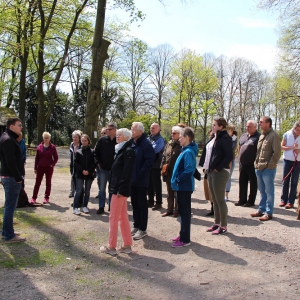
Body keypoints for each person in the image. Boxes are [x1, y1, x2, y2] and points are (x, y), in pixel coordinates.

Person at [100, 128, 136, 255]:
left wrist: (121, 189)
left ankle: (111, 246)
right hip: (117, 188)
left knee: (113, 217)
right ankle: (127, 245)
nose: (117, 136)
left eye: (119, 135)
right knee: (122, 217)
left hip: (119, 190)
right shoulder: (121, 150)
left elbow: (126, 173)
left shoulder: (128, 151)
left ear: (126, 137)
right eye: (117, 135)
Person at [0, 117, 26, 243]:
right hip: (11, 178)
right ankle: (9, 235)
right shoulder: (8, 140)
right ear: (11, 126)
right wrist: (18, 177)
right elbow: (10, 161)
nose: (21, 127)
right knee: (10, 206)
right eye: (19, 125)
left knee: (11, 205)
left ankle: (7, 230)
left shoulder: (8, 138)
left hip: (10, 177)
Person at [171, 127, 197, 247]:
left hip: (184, 187)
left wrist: (178, 179)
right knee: (182, 212)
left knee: (185, 213)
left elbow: (189, 169)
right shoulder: (185, 150)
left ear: (187, 137)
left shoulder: (188, 152)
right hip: (181, 187)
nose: (179, 139)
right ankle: (182, 234)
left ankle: (185, 239)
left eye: (181, 136)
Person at [251, 116, 281, 221]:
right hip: (259, 167)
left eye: (261, 122)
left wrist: (270, 165)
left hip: (268, 169)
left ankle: (269, 213)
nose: (259, 124)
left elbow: (277, 153)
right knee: (262, 191)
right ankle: (261, 210)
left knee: (269, 191)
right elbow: (258, 152)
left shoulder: (274, 136)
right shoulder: (262, 136)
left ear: (268, 123)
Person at [206, 117, 233, 235]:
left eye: (215, 125)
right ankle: (216, 223)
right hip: (211, 171)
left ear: (221, 126)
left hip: (220, 172)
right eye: (212, 125)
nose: (213, 127)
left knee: (220, 199)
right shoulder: (215, 137)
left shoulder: (225, 138)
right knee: (215, 199)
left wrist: (218, 167)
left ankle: (224, 226)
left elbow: (229, 156)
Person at [130, 122, 155, 240]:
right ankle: (136, 225)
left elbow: (149, 161)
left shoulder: (146, 144)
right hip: (132, 180)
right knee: (134, 204)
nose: (132, 132)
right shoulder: (133, 143)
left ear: (140, 131)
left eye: (133, 130)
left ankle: (142, 229)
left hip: (141, 180)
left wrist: (140, 174)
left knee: (141, 204)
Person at [235, 120, 260, 207]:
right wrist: (239, 157)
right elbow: (239, 146)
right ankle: (242, 200)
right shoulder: (243, 136)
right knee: (242, 182)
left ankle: (251, 201)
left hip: (252, 164)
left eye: (250, 127)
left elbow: (259, 151)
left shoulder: (258, 137)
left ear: (255, 127)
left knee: (253, 183)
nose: (247, 128)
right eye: (246, 126)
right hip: (242, 163)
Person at [94, 122, 117, 214]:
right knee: (101, 189)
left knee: (112, 189)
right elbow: (96, 153)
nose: (108, 131)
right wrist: (97, 162)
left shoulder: (118, 140)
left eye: (110, 129)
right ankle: (101, 206)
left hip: (114, 169)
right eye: (107, 129)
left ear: (115, 129)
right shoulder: (102, 140)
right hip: (102, 169)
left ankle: (111, 206)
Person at [160, 126, 182, 217]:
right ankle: (169, 209)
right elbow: (164, 155)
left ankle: (177, 210)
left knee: (177, 192)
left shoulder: (181, 144)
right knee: (169, 192)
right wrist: (162, 167)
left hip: (176, 171)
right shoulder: (169, 143)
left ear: (180, 134)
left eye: (174, 133)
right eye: (172, 133)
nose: (172, 135)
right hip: (168, 171)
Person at [30, 132, 58, 204]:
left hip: (49, 167)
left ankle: (46, 197)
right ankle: (34, 198)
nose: (46, 139)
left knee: (48, 182)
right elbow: (37, 158)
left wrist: (52, 164)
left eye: (47, 138)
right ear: (43, 138)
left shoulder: (52, 147)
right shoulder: (39, 147)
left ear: (49, 139)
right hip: (40, 167)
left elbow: (56, 157)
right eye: (45, 138)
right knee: (37, 183)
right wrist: (35, 168)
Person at [73, 134, 96, 215]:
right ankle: (75, 207)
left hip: (89, 174)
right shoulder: (78, 152)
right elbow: (75, 163)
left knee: (87, 191)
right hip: (80, 174)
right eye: (82, 141)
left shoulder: (92, 151)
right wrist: (82, 170)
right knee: (79, 190)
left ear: (88, 141)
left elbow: (94, 163)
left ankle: (85, 206)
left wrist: (88, 171)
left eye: (85, 141)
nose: (84, 142)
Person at [279, 121, 300, 209]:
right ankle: (283, 199)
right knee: (285, 180)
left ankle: (291, 202)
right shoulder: (287, 134)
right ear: (294, 129)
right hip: (287, 160)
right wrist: (292, 147)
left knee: (294, 182)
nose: (299, 132)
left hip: (298, 161)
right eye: (298, 130)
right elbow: (282, 146)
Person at [147, 123, 165, 210]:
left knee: (156, 184)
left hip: (156, 165)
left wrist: (147, 149)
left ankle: (158, 202)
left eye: (153, 128)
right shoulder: (148, 138)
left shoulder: (160, 139)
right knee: (149, 183)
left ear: (158, 129)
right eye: (151, 128)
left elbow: (154, 150)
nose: (151, 129)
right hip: (149, 164)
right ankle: (150, 201)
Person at [199, 129, 214, 216]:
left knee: (213, 190)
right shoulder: (209, 142)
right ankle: (212, 207)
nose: (210, 134)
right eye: (210, 133)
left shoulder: (217, 142)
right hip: (207, 168)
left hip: (213, 169)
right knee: (208, 189)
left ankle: (215, 209)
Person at [225, 125, 238, 201]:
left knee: (228, 177)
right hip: (223, 160)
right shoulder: (224, 137)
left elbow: (231, 147)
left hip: (230, 160)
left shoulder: (234, 138)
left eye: (230, 130)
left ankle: (226, 195)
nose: (228, 131)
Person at [69, 130, 82, 198]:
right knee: (73, 177)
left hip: (79, 165)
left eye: (76, 137)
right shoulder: (71, 145)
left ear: (79, 138)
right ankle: (72, 192)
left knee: (79, 179)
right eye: (73, 137)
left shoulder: (81, 145)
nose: (74, 138)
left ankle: (79, 193)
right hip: (73, 165)